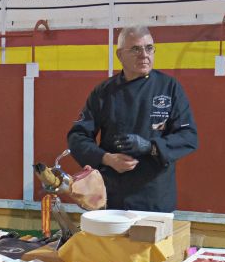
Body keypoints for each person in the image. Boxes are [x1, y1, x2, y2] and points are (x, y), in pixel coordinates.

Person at [66, 25, 198, 211]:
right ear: (120, 55)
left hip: (156, 197)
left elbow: (188, 137)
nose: (144, 54)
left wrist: (150, 147)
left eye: (149, 48)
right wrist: (106, 158)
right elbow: (77, 137)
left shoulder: (169, 88)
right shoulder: (104, 92)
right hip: (113, 196)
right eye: (136, 49)